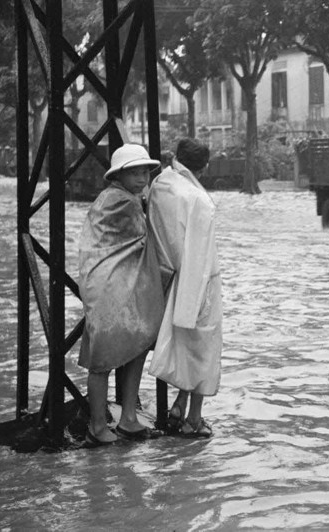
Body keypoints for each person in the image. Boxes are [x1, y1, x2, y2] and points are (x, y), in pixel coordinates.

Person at [78, 144, 165, 446]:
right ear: (120, 174)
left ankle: (126, 417)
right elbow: (150, 235)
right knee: (102, 359)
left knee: (132, 345)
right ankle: (99, 424)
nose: (143, 178)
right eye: (136, 172)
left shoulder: (115, 197)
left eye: (146, 172)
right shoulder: (123, 203)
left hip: (118, 287)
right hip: (109, 289)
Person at [147, 138, 222, 438]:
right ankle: (194, 418)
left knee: (183, 346)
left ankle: (178, 404)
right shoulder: (199, 201)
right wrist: (199, 302)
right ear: (203, 168)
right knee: (204, 349)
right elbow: (200, 259)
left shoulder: (160, 184)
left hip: (164, 274)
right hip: (197, 281)